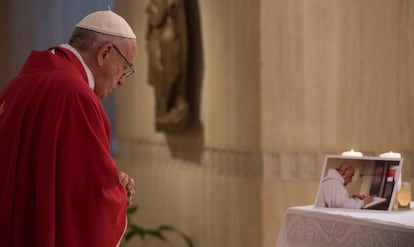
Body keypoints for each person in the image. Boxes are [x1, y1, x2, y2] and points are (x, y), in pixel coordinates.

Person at [0, 10, 136, 246]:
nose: (122, 80)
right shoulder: (76, 97)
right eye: (124, 68)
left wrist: (108, 179)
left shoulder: (18, 85)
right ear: (104, 53)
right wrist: (117, 192)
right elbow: (85, 204)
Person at [146, 0, 189, 132]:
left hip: (168, 42)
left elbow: (161, 14)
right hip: (159, 40)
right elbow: (154, 17)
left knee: (167, 46)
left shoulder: (170, 32)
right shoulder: (156, 37)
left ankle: (171, 103)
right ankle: (163, 107)